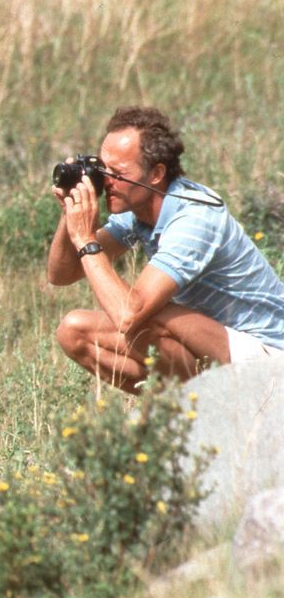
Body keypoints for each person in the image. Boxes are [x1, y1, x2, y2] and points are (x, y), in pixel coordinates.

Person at [49, 106, 284, 391]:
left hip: (267, 355)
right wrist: (71, 213)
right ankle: (185, 410)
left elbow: (128, 314)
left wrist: (87, 239)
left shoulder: (194, 217)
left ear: (156, 173)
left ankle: (217, 406)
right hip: (216, 345)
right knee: (74, 331)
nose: (105, 181)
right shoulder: (137, 205)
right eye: (102, 169)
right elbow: (62, 274)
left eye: (116, 173)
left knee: (151, 316)